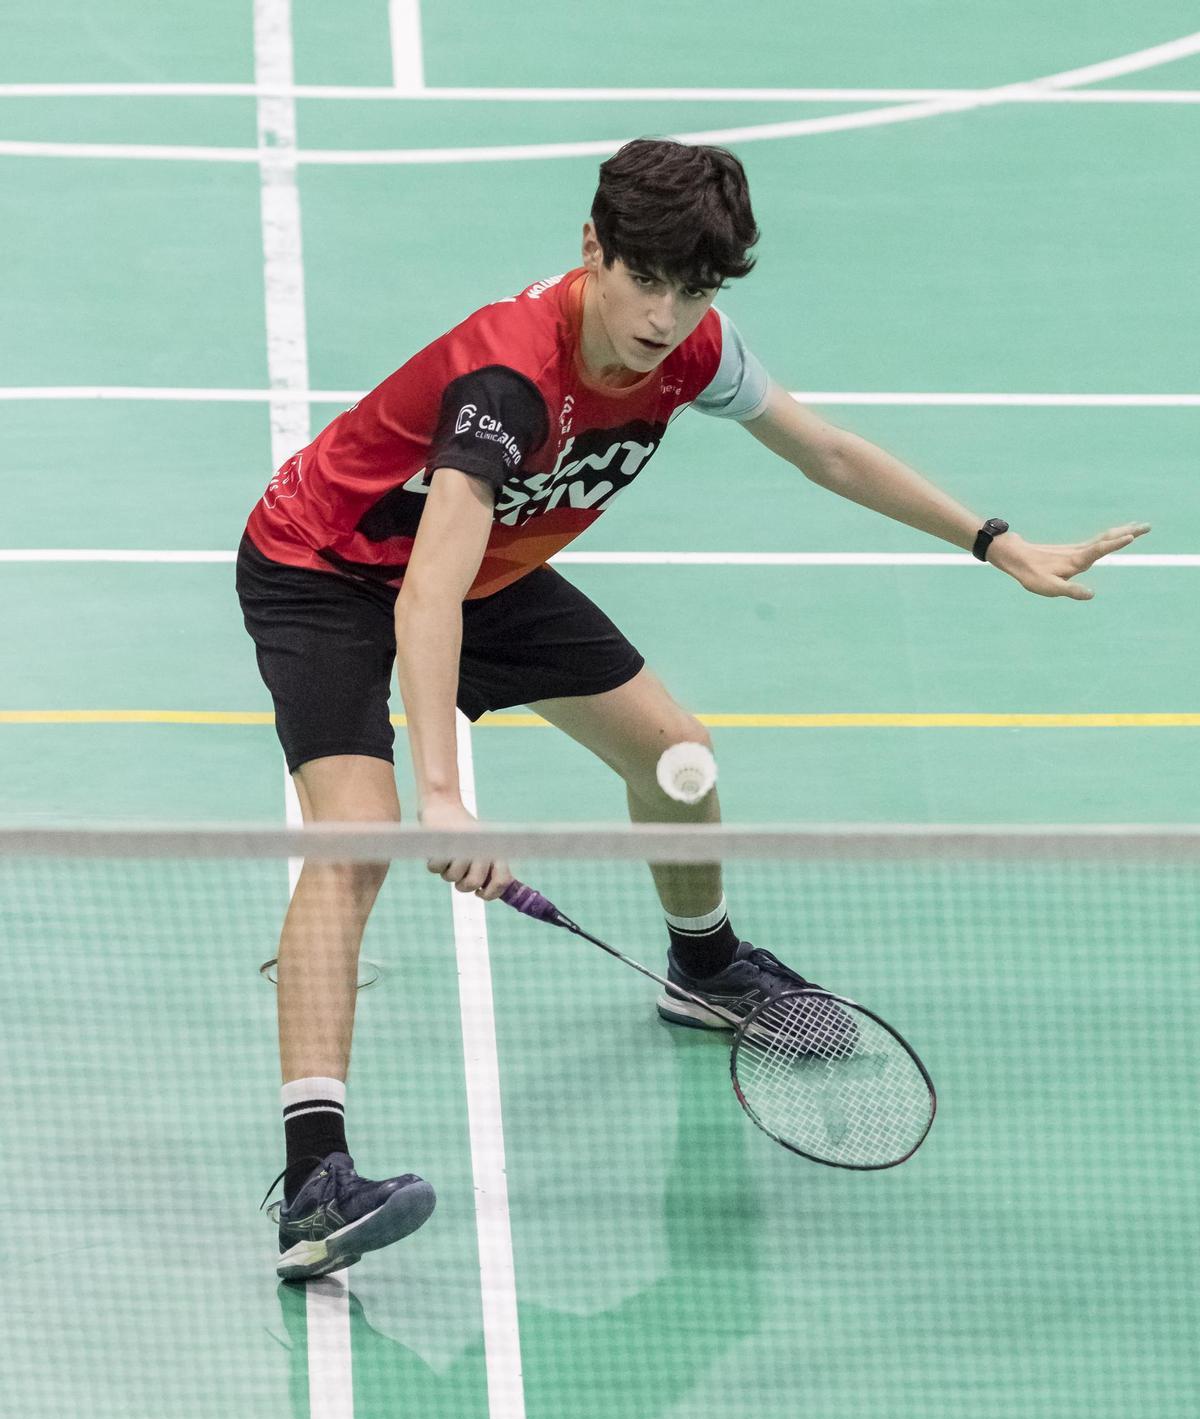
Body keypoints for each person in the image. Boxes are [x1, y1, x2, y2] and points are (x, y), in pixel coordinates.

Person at [239, 136, 1149, 1280]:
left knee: (678, 756)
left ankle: (705, 968)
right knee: (356, 841)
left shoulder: (694, 349)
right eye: (647, 281)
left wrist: (995, 541)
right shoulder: (506, 380)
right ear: (592, 250)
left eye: (695, 289)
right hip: (330, 568)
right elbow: (424, 592)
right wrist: (439, 795)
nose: (666, 316)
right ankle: (316, 1182)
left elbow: (823, 451)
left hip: (493, 572)